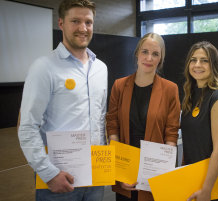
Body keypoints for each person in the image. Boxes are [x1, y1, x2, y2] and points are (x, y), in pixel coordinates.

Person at [18, 0, 107, 200]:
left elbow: (100, 119)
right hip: (59, 180)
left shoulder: (101, 68)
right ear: (61, 24)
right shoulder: (44, 67)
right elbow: (27, 127)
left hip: (95, 177)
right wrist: (48, 173)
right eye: (75, 21)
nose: (83, 28)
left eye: (88, 22)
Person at [106, 32, 181, 201]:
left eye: (155, 54)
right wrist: (120, 171)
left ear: (160, 59)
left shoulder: (170, 89)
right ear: (137, 53)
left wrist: (163, 170)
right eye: (145, 52)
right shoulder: (119, 86)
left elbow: (171, 133)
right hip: (125, 167)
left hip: (154, 171)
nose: (149, 58)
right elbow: (112, 126)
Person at [181, 41, 218, 201]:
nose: (197, 65)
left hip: (210, 185)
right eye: (193, 60)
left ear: (213, 65)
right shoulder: (190, 95)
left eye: (204, 60)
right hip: (191, 178)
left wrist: (206, 189)